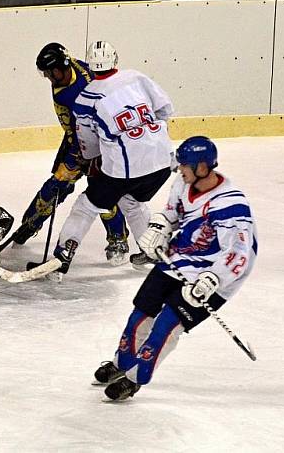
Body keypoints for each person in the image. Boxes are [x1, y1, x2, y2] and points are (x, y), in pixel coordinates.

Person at [94, 136, 257, 400]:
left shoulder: (230, 205)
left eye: (185, 165)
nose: (179, 169)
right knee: (141, 312)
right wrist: (159, 227)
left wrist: (211, 280)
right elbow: (172, 212)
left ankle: (135, 379)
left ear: (202, 167)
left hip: (220, 272)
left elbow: (239, 255)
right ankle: (122, 362)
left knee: (167, 326)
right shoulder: (183, 181)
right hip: (180, 256)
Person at [46, 40, 174, 278]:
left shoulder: (86, 98)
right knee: (132, 202)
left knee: (86, 206)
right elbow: (165, 110)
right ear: (115, 60)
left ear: (91, 67)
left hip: (124, 168)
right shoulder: (137, 77)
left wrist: (93, 159)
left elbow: (90, 147)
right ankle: (152, 251)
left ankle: (62, 257)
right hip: (162, 161)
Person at [10, 42, 130, 265]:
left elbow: (96, 129)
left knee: (102, 194)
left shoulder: (85, 87)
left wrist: (77, 159)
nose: (47, 77)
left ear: (62, 68)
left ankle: (118, 239)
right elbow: (74, 130)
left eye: (49, 72)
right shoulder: (67, 73)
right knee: (54, 187)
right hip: (76, 139)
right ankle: (29, 225)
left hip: (100, 145)